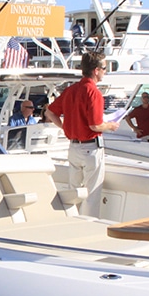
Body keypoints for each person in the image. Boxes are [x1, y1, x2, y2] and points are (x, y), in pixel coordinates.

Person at [44, 51, 119, 218]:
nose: (106, 71)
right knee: (92, 193)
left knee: (74, 192)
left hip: (73, 148)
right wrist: (110, 126)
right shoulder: (93, 93)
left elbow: (50, 112)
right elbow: (95, 125)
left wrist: (65, 127)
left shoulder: (71, 90)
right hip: (90, 148)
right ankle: (89, 226)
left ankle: (72, 222)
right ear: (96, 70)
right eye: (105, 68)